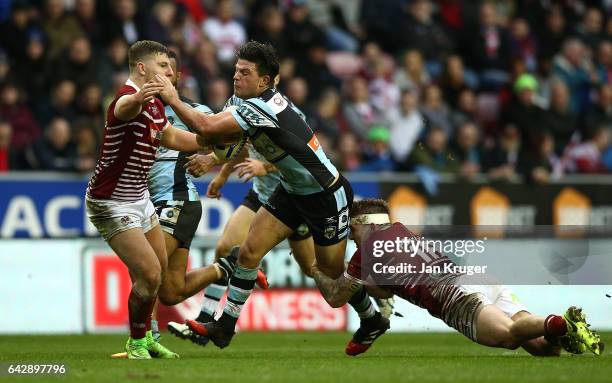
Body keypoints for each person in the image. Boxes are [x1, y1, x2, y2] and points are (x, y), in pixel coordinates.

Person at [155, 41, 386, 350]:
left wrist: (171, 97)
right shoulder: (240, 99)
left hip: (325, 193)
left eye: (245, 73)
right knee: (248, 252)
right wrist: (216, 162)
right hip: (290, 189)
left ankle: (372, 316)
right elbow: (228, 139)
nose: (236, 77)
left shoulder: (262, 105)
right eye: (236, 70)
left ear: (264, 81)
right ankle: (224, 325)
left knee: (331, 272)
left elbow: (207, 126)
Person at [85, 40, 234, 359]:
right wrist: (142, 95)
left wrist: (207, 140)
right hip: (111, 202)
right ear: (142, 69)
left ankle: (147, 338)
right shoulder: (129, 100)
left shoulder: (155, 106)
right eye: (163, 66)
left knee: (160, 273)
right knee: (151, 275)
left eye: (171, 67)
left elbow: (172, 137)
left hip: (140, 199)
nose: (171, 71)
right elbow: (126, 107)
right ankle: (137, 342)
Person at [310, 198, 603, 357]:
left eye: (353, 232)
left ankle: (560, 322)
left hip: (453, 296)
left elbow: (336, 298)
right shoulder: (401, 231)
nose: (352, 239)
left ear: (365, 224)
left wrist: (315, 270)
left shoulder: (369, 249)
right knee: (542, 349)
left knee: (509, 338)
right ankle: (556, 329)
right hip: (478, 279)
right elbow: (386, 291)